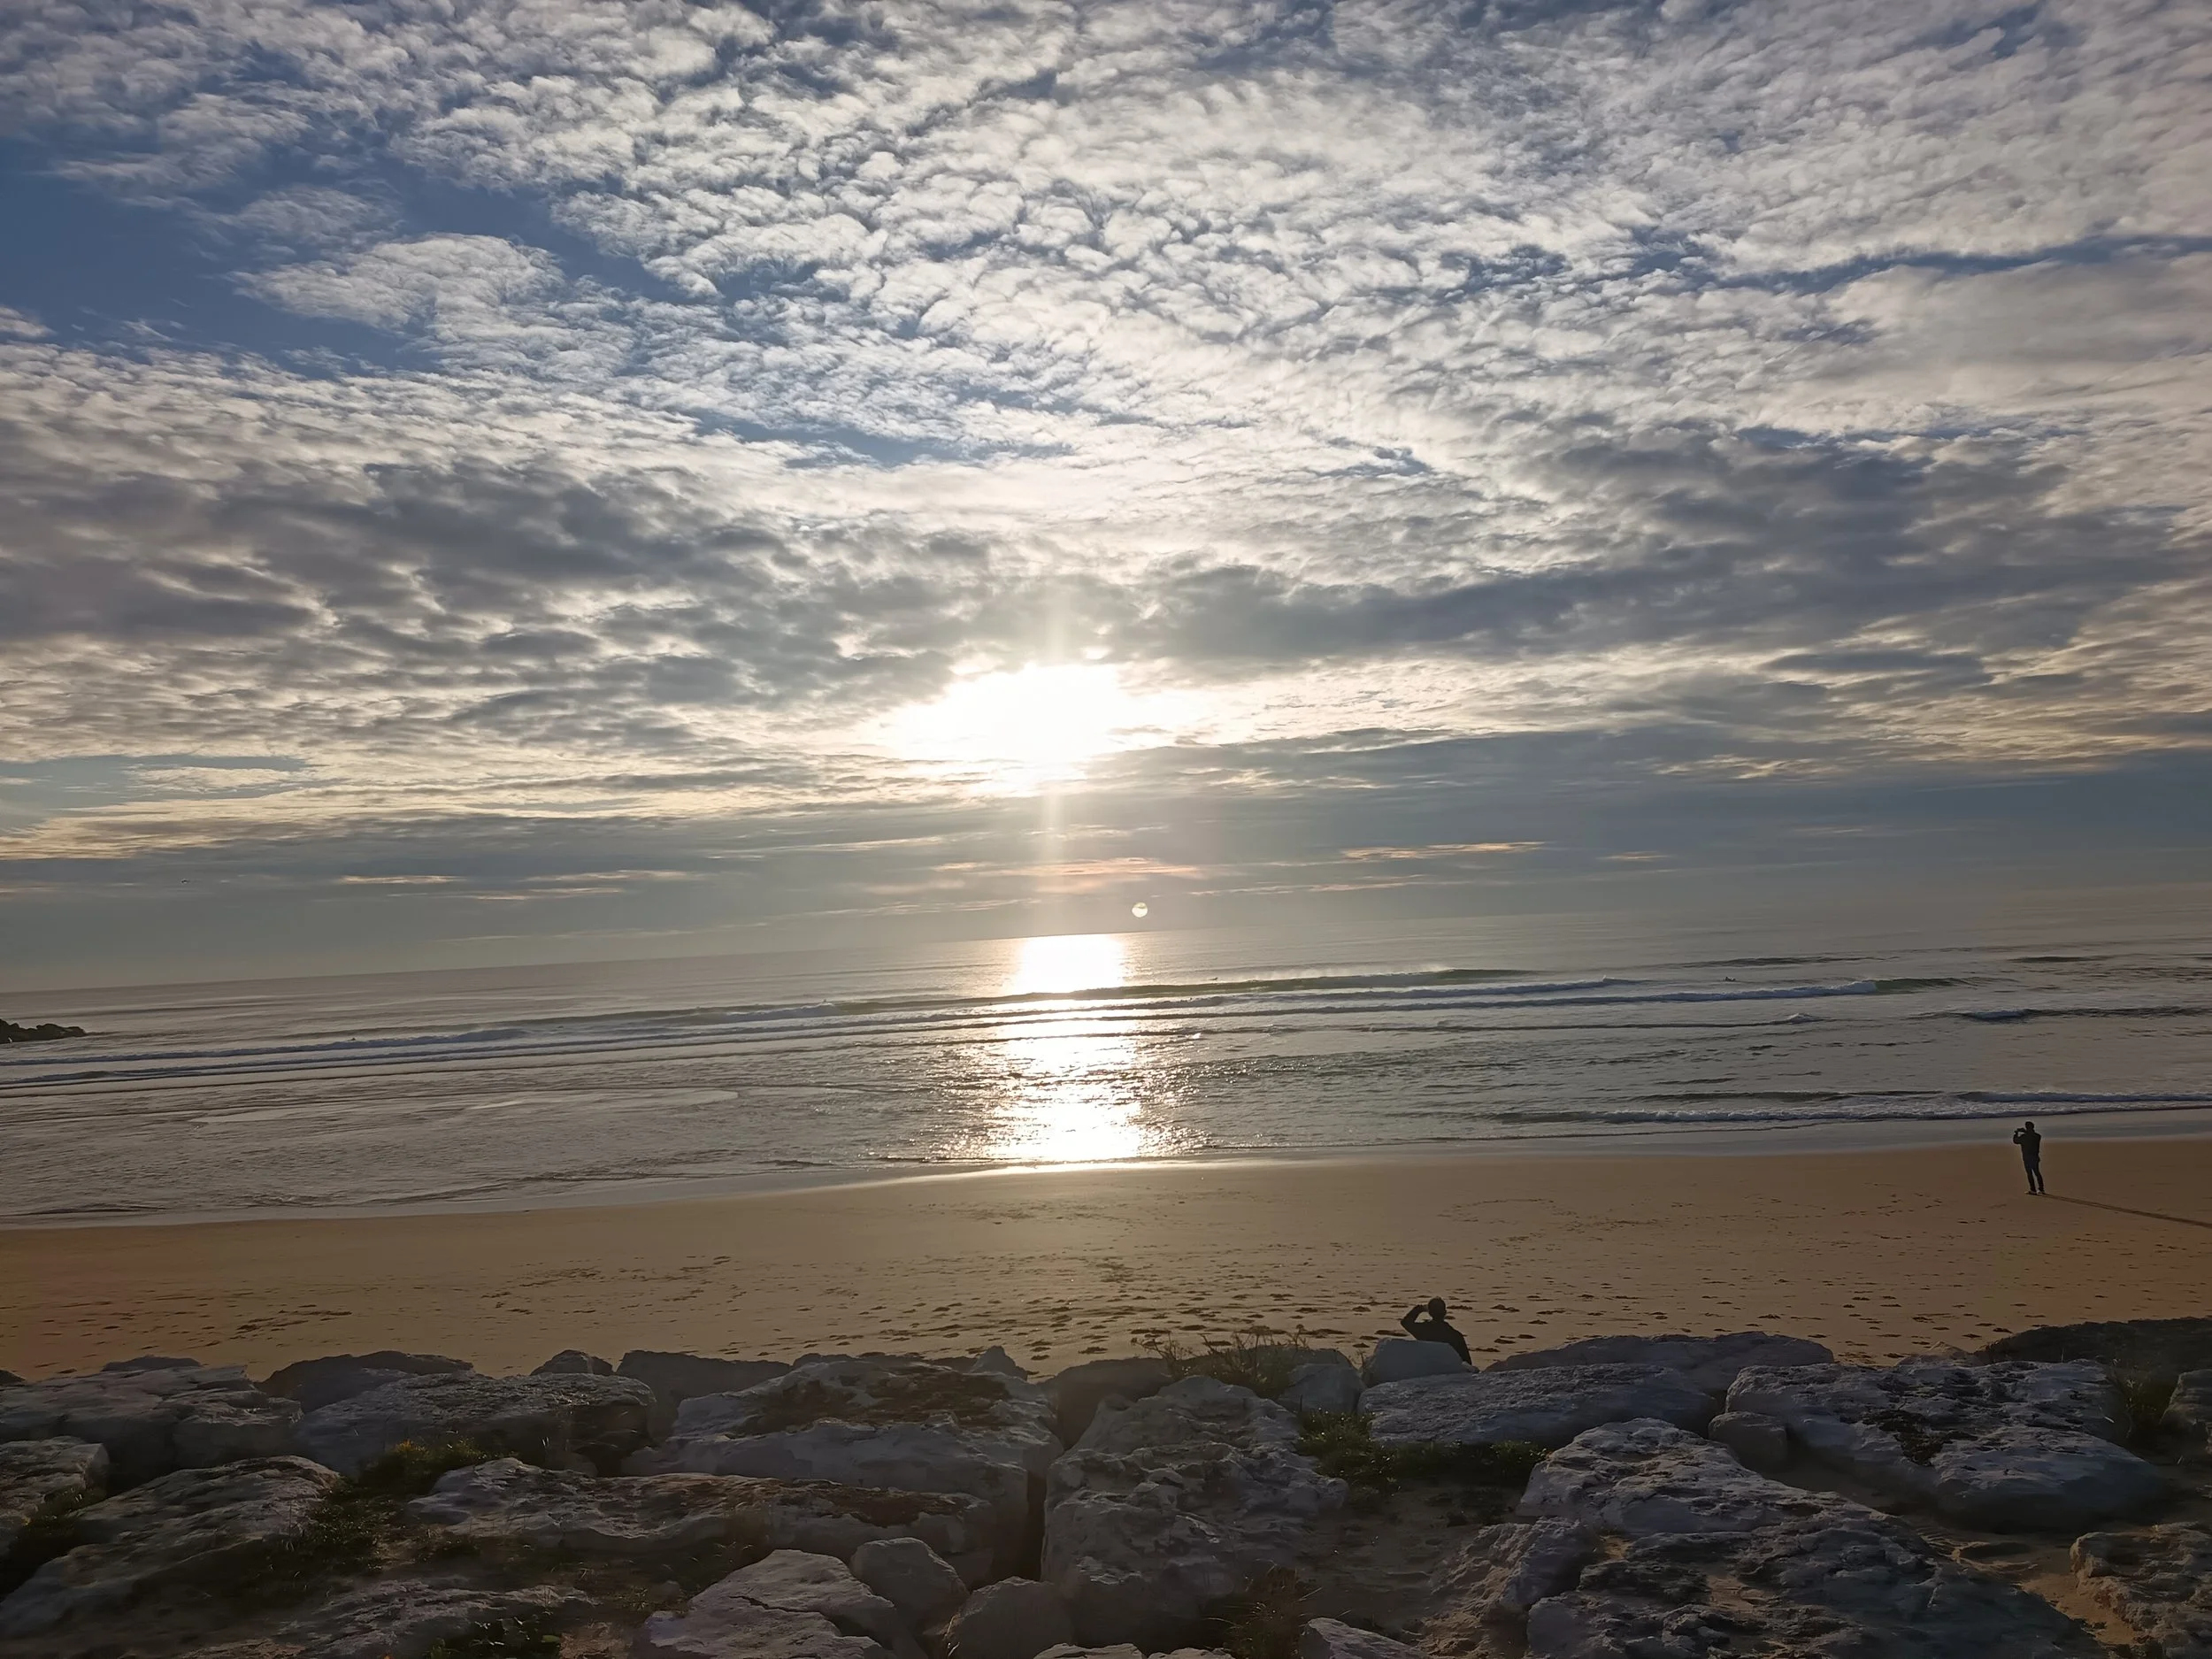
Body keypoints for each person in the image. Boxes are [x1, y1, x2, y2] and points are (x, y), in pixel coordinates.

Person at [1400, 1296, 1471, 1363]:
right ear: (1445, 1312)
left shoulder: (1423, 1330)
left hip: (1428, 1367)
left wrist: (1419, 1309)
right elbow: (1467, 1362)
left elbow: (1405, 1323)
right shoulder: (1456, 1335)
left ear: (1430, 1313)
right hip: (1447, 1370)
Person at [2012, 1119, 2045, 1194]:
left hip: (2027, 1157)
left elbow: (2015, 1141)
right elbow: (2033, 1135)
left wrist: (2016, 1133)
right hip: (2035, 1157)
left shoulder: (2024, 1137)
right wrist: (2026, 1132)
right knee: (2037, 1173)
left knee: (2030, 1173)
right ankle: (2041, 1189)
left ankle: (2033, 1189)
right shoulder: (2037, 1136)